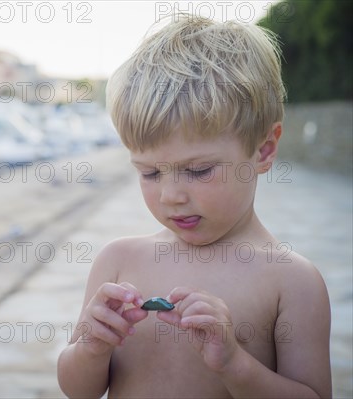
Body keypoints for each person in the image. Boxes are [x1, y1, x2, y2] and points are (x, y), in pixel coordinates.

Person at [57, 15, 331, 398]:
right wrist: (90, 348)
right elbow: (77, 390)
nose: (171, 195)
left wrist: (234, 364)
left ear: (264, 149)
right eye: (150, 173)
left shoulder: (292, 281)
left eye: (198, 170)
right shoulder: (117, 261)